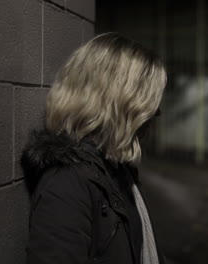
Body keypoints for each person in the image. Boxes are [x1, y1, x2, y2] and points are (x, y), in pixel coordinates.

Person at [21, 32, 167, 264]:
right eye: (148, 105)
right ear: (120, 105)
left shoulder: (118, 170)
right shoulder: (67, 184)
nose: (156, 113)